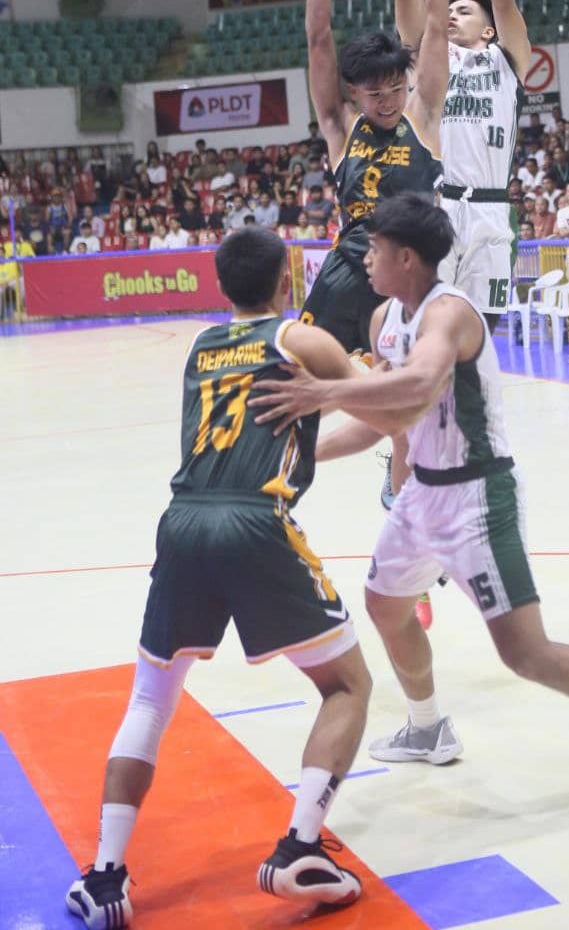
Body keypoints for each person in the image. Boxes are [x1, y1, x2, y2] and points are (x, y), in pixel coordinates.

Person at [250, 195, 569, 809]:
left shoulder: (450, 315)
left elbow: (420, 383)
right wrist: (306, 456)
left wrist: (322, 389)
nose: (365, 259)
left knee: (526, 653)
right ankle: (429, 725)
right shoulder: (385, 321)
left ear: (405, 256)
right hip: (422, 494)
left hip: (480, 496)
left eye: (373, 249)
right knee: (384, 605)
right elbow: (391, 420)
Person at [65, 227, 377, 927]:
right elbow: (384, 401)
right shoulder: (300, 338)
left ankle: (105, 877)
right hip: (254, 521)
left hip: (182, 521)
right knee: (347, 685)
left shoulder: (202, 346)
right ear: (286, 280)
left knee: (150, 698)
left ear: (221, 286)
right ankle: (300, 845)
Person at [375, 0, 530, 330]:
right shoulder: (427, 57)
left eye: (464, 11)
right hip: (437, 207)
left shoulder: (506, 60)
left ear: (488, 31)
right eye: (451, 9)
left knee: (480, 335)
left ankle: (473, 406)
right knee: (425, 327)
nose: (452, 14)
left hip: (490, 210)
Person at [298, 0, 446, 355]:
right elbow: (319, 38)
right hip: (348, 267)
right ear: (355, 93)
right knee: (298, 372)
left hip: (409, 269)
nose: (388, 102)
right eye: (375, 94)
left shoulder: (421, 116)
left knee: (406, 393)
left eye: (396, 89)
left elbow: (436, 28)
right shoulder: (341, 125)